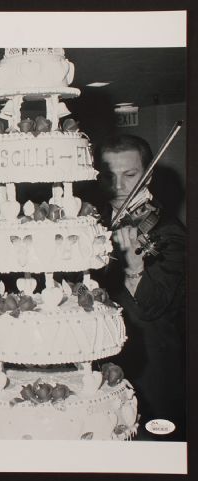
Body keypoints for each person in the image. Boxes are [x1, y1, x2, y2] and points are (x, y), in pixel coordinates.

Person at [95, 134, 186, 441]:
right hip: (105, 365)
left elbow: (154, 305)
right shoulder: (95, 222)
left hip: (150, 370)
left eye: (130, 175)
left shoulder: (170, 232)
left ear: (149, 175)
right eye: (110, 176)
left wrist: (135, 268)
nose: (119, 187)